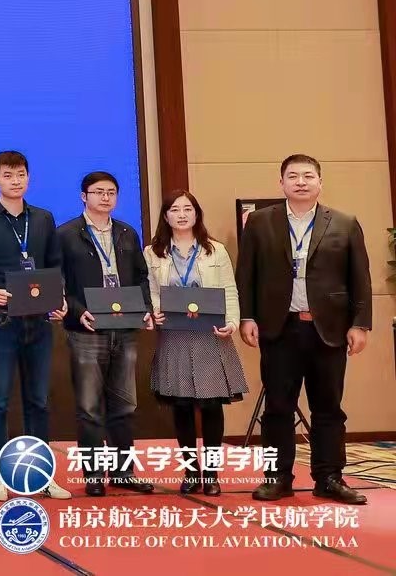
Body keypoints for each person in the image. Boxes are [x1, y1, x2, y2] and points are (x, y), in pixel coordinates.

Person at [238, 154, 371, 505]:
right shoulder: (260, 222)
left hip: (329, 329)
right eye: (293, 176)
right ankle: (277, 477)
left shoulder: (344, 223)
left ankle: (329, 478)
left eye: (308, 176)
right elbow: (246, 274)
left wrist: (360, 324)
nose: (301, 182)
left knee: (329, 407)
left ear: (320, 183)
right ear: (281, 183)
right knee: (277, 407)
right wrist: (247, 317)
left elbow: (360, 278)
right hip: (279, 328)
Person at [0, 150, 70, 501]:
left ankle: (41, 475)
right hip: (1, 320)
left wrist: (60, 297)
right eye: (8, 175)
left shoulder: (43, 218)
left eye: (21, 174)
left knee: (38, 400)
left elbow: (54, 264)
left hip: (38, 321)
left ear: (29, 177)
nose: (16, 180)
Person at [57, 172, 155, 496]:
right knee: (89, 408)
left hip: (124, 328)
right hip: (87, 329)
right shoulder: (66, 234)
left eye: (111, 192)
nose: (105, 197)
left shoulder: (127, 232)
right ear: (83, 196)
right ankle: (94, 474)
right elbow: (58, 283)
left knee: (125, 405)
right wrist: (75, 310)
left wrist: (143, 307)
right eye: (98, 192)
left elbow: (142, 277)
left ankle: (123, 471)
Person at [144, 189, 247, 496]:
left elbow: (229, 289)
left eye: (188, 209)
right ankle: (191, 471)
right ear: (166, 216)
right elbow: (150, 290)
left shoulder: (215, 250)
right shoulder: (153, 252)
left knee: (212, 406)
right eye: (175, 210)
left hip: (210, 335)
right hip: (175, 335)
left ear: (197, 214)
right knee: (182, 407)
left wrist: (232, 322)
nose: (182, 215)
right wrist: (155, 311)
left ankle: (212, 474)